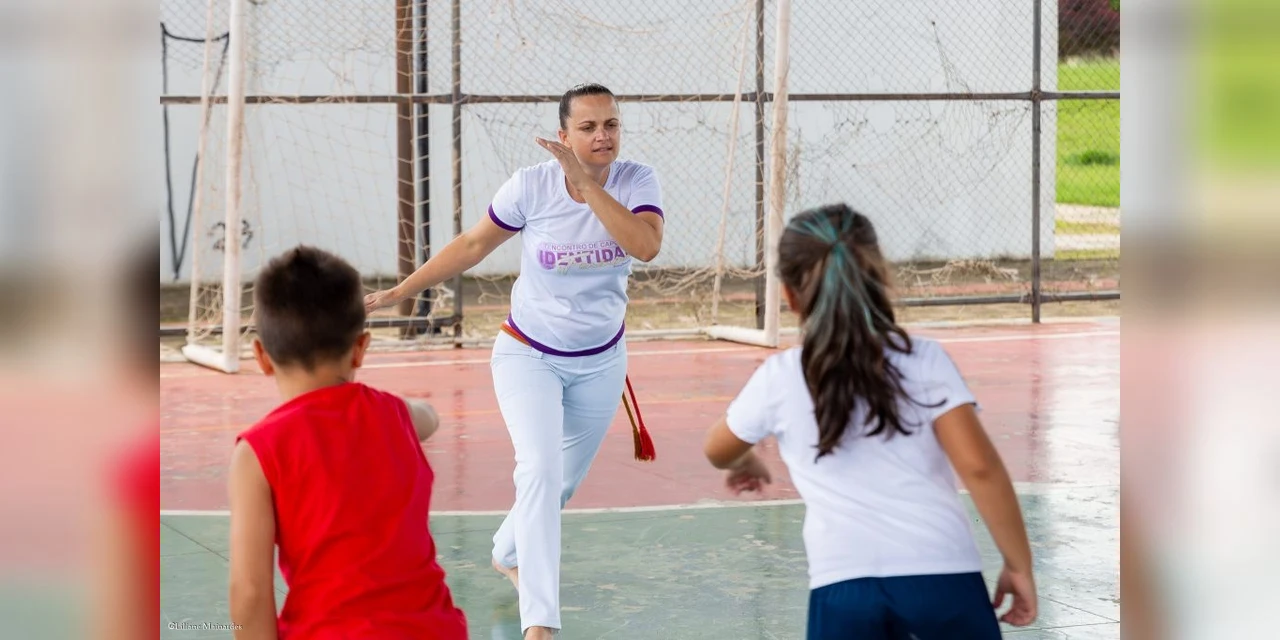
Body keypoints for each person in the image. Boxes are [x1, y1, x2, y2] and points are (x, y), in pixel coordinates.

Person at [364, 83, 665, 639]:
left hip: (602, 363)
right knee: (539, 471)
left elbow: (643, 245)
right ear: (563, 135)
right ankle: (540, 623)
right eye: (588, 127)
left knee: (559, 485)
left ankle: (506, 548)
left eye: (611, 125)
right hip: (529, 356)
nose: (602, 136)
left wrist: (587, 186)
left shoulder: (636, 181)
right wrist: (402, 290)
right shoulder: (531, 185)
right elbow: (473, 244)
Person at [702, 203, 1037, 639]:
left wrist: (743, 461)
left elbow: (717, 448)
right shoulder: (924, 362)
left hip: (843, 588)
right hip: (942, 578)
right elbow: (980, 468)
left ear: (788, 295)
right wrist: (1018, 564)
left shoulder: (780, 378)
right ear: (879, 277)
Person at [227, 246, 467, 639]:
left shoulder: (256, 454)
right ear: (360, 348)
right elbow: (429, 416)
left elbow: (250, 592)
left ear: (261, 356)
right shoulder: (398, 416)